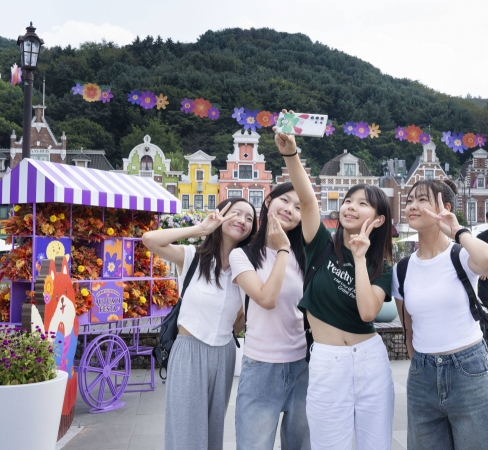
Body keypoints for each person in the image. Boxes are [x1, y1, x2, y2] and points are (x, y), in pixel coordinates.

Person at [274, 123, 395, 450]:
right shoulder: (321, 244)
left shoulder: (382, 267)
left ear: (379, 219)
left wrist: (359, 258)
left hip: (370, 360)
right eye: (348, 200)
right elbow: (308, 200)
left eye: (362, 203)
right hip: (328, 361)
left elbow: (368, 311)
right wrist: (290, 152)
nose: (351, 206)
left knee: (376, 445)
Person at [393, 179, 488, 450]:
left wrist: (457, 229)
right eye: (410, 200)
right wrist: (422, 363)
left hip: (468, 369)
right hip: (423, 375)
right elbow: (408, 328)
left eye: (422, 200)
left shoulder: (460, 254)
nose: (413, 205)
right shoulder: (403, 269)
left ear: (444, 208)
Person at [142, 199, 257, 450]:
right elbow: (149, 239)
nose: (242, 220)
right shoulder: (192, 257)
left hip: (224, 353)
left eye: (249, 218)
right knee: (186, 432)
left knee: (213, 431)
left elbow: (237, 324)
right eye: (236, 213)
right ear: (222, 216)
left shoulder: (244, 271)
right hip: (189, 351)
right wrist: (200, 229)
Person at [230, 182, 310, 450]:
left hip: (301, 366)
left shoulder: (303, 255)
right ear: (267, 202)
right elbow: (266, 298)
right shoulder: (242, 255)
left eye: (298, 207)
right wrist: (282, 250)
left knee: (301, 445)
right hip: (261, 368)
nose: (290, 209)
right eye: (285, 201)